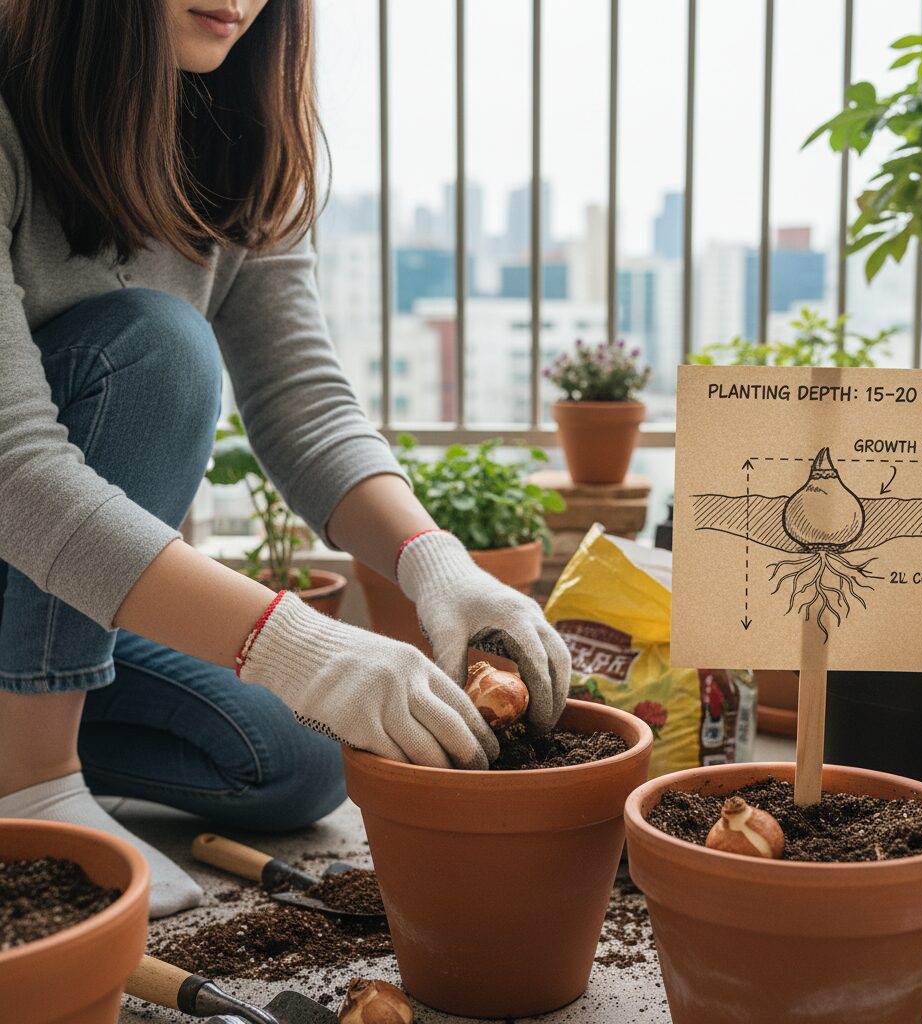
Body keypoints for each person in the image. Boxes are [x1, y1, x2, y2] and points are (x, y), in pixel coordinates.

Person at [0, 0, 570, 917]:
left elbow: (304, 405)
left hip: (37, 609)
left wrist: (437, 563)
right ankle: (28, 781)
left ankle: (28, 720)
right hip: (15, 530)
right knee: (158, 352)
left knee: (299, 761)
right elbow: (15, 471)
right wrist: (288, 642)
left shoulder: (235, 124)